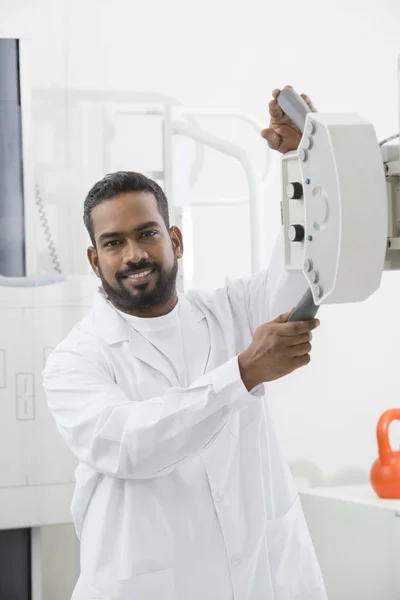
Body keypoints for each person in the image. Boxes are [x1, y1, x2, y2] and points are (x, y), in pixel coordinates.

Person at [43, 88, 327, 600]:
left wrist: (302, 162)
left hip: (263, 581)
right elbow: (133, 444)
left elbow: (302, 263)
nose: (133, 254)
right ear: (94, 260)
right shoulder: (74, 362)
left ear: (174, 240)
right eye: (113, 243)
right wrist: (241, 374)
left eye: (146, 233)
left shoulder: (233, 312)